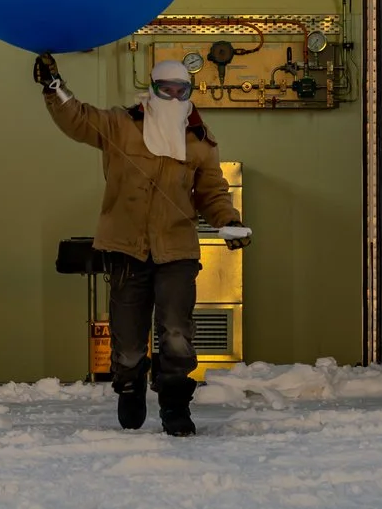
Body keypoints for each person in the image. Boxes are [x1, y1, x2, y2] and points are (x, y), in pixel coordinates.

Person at [34, 52, 250, 436]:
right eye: (164, 88)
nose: (171, 96)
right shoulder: (121, 124)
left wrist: (229, 223)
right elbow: (79, 119)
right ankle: (130, 385)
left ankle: (174, 403)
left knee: (176, 333)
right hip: (125, 247)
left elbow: (213, 193)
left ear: (189, 92)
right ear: (151, 88)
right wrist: (54, 87)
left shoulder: (199, 141)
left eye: (179, 89)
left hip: (177, 250)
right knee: (129, 337)